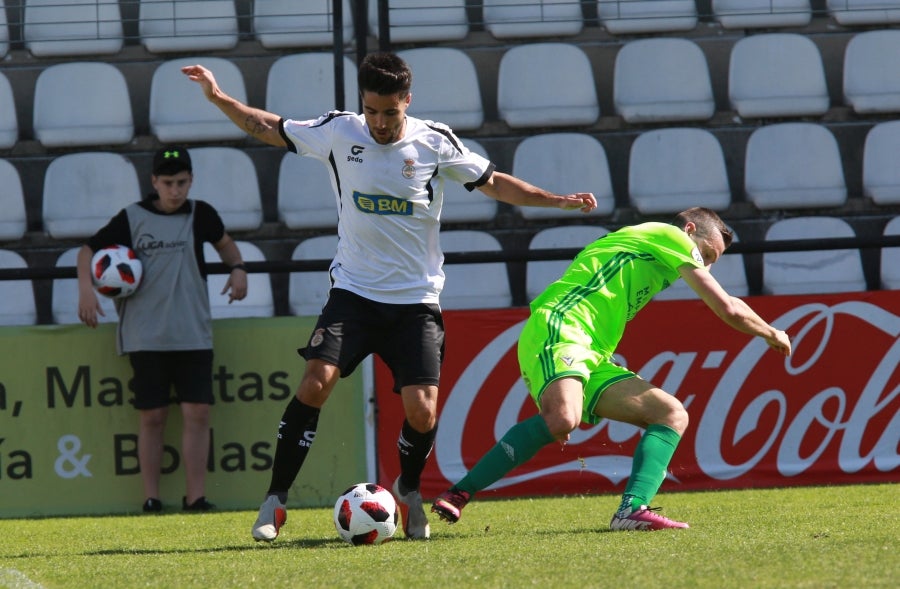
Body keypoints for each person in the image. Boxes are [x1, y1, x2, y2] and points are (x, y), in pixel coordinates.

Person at [181, 52, 598, 541]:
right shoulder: (340, 131)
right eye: (371, 111)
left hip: (416, 301)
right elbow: (266, 127)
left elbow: (495, 183)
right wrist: (218, 97)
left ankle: (410, 488)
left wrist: (556, 200)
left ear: (407, 102)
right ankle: (275, 501)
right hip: (354, 292)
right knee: (316, 382)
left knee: (422, 410)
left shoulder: (434, 142)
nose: (379, 123)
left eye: (390, 113)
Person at [432, 207, 793, 531]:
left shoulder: (655, 252)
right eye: (708, 254)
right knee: (562, 419)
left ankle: (632, 510)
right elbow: (727, 307)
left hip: (594, 353)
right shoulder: (670, 237)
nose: (707, 265)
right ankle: (460, 491)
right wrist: (771, 332)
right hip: (562, 325)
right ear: (689, 229)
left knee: (670, 415)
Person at [76, 146, 248, 513]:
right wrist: (86, 291)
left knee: (198, 412)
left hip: (193, 333)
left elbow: (228, 248)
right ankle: (150, 498)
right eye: (168, 182)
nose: (175, 190)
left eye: (182, 182)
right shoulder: (132, 217)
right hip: (145, 335)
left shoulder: (201, 214)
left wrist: (238, 269)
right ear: (154, 182)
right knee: (152, 417)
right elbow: (87, 251)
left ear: (191, 181)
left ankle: (196, 497)